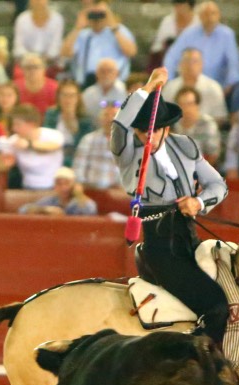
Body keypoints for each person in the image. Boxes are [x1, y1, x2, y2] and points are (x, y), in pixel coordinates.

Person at [110, 66, 230, 346]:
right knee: (216, 306)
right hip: (160, 246)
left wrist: (197, 202)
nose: (145, 138)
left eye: (150, 131)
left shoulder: (185, 146)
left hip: (189, 237)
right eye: (140, 132)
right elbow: (119, 125)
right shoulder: (128, 154)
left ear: (165, 128)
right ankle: (201, 361)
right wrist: (148, 88)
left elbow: (219, 186)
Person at [163, 1, 239, 89]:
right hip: (190, 85)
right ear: (199, 16)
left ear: (219, 15)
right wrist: (169, 80)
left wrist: (229, 85)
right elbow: (171, 57)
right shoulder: (189, 33)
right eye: (206, 14)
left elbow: (233, 63)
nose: (210, 18)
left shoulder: (227, 34)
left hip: (219, 86)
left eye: (213, 13)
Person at [61, 1, 136, 88]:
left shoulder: (119, 30)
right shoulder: (82, 34)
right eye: (93, 13)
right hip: (87, 83)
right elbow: (65, 53)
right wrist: (77, 28)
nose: (97, 18)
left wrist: (113, 25)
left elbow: (131, 52)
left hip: (115, 83)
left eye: (101, 14)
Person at [0, 104, 64, 190]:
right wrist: (5, 161)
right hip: (27, 187)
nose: (14, 129)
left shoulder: (53, 134)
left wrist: (29, 145)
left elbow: (52, 146)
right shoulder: (14, 140)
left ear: (32, 124)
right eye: (13, 125)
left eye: (18, 125)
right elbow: (0, 167)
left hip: (53, 187)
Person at [161, 48, 228, 125]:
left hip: (206, 133)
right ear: (180, 64)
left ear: (201, 64)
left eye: (195, 61)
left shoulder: (213, 88)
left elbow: (221, 118)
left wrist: (200, 121)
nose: (190, 65)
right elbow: (163, 116)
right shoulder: (170, 87)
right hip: (175, 132)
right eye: (186, 61)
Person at [72, 98, 122, 189]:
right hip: (90, 190)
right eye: (106, 115)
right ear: (100, 119)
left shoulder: (127, 143)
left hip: (116, 192)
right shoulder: (88, 139)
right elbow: (78, 169)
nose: (110, 119)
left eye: (114, 115)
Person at [44, 79, 93, 167]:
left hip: (76, 159)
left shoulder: (86, 120)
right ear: (58, 97)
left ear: (78, 98)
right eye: (64, 95)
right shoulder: (51, 114)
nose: (68, 99)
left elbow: (85, 146)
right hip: (52, 155)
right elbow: (46, 137)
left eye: (72, 96)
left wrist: (73, 127)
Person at [18, 166, 97, 215]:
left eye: (67, 183)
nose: (63, 187)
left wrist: (79, 195)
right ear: (55, 186)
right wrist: (45, 210)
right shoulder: (50, 201)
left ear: (74, 185)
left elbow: (89, 213)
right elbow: (22, 210)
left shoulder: (86, 203)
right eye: (59, 184)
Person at [172, 86, 221, 165]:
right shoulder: (173, 125)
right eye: (182, 104)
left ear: (197, 105)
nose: (186, 108)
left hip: (203, 168)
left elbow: (213, 155)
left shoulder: (207, 124)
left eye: (190, 104)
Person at [12, 0, 64, 70]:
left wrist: (42, 61)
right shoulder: (22, 19)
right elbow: (18, 47)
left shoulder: (57, 19)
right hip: (27, 63)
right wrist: (32, 60)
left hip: (50, 64)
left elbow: (55, 48)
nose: (38, 2)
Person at [148, 0, 198, 71]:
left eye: (182, 5)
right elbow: (157, 46)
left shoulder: (198, 23)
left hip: (192, 61)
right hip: (168, 61)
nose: (179, 8)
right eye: (176, 5)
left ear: (190, 6)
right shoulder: (167, 21)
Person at [81, 58, 126, 124]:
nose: (106, 74)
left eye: (109, 71)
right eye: (102, 71)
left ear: (117, 73)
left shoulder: (125, 91)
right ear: (96, 74)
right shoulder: (88, 94)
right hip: (93, 130)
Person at [13, 52, 58, 116]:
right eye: (28, 67)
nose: (32, 71)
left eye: (36, 67)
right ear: (22, 70)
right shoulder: (15, 87)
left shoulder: (54, 88)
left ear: (44, 69)